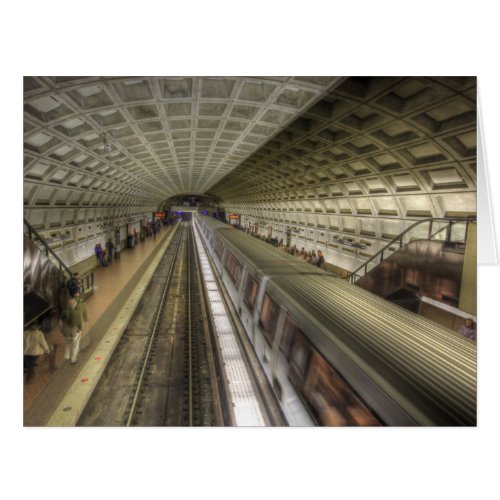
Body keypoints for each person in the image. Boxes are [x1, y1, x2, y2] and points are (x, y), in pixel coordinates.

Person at [60, 298, 83, 364]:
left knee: (68, 343)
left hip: (65, 332)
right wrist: (80, 330)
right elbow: (80, 324)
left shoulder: (64, 312)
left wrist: (61, 330)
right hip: (74, 332)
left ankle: (67, 356)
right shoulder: (78, 313)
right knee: (75, 345)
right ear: (75, 305)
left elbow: (60, 322)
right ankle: (73, 359)